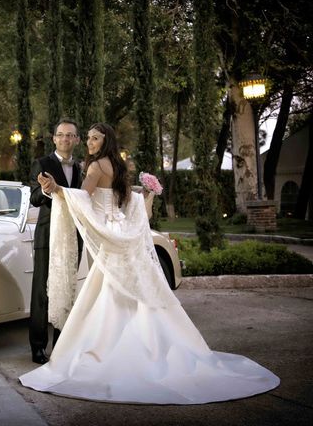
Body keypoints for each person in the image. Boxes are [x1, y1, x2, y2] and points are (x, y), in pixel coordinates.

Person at [19, 122, 280, 404]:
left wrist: (59, 189)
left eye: (93, 138)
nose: (88, 143)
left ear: (104, 140)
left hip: (108, 236)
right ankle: (146, 346)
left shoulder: (93, 168)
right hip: (121, 233)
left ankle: (109, 351)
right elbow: (128, 201)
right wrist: (147, 195)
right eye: (88, 138)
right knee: (129, 289)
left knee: (108, 292)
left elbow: (83, 198)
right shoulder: (118, 167)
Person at [28, 118, 83, 364]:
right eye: (60, 135)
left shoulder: (81, 168)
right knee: (42, 291)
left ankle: (60, 346)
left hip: (73, 237)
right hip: (48, 234)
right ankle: (38, 347)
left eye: (70, 135)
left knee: (67, 289)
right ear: (54, 139)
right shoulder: (42, 163)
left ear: (77, 140)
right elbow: (34, 198)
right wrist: (46, 189)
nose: (65, 139)